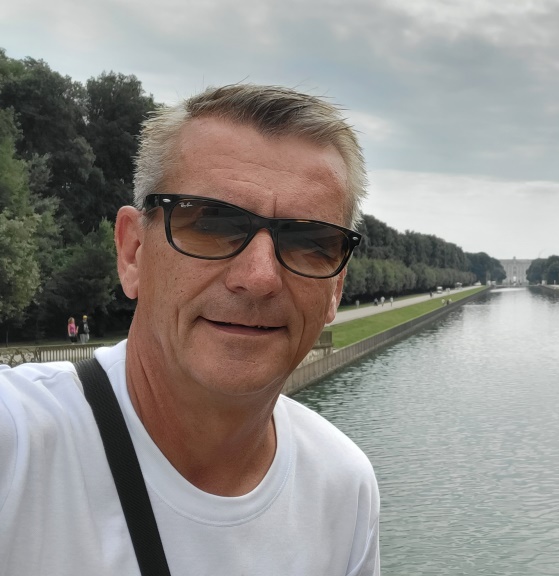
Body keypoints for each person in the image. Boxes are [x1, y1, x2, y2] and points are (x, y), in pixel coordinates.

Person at [0, 84, 379, 575]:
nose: (259, 277)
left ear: (335, 289)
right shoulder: (16, 443)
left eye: (309, 241)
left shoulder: (344, 487)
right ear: (133, 252)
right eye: (212, 224)